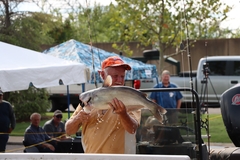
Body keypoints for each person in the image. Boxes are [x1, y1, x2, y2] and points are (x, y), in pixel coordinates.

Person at [65, 56, 141, 154]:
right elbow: (69, 131)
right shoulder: (88, 99)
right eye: (115, 76)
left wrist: (123, 114)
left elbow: (132, 129)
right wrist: (78, 119)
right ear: (102, 75)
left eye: (122, 76)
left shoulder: (130, 98)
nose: (119, 80)